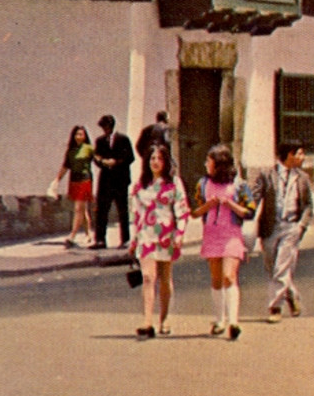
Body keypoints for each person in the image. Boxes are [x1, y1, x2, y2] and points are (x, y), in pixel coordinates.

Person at [192, 144, 256, 341]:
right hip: (212, 234)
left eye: (209, 162)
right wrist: (208, 205)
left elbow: (250, 211)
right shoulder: (202, 185)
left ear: (219, 165)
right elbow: (194, 212)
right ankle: (219, 319)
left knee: (229, 276)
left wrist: (230, 204)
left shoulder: (239, 185)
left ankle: (233, 322)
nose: (206, 165)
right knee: (216, 278)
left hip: (231, 235)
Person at [130, 143, 189, 338]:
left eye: (160, 159)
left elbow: (182, 210)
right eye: (152, 158)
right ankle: (147, 322)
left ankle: (165, 318)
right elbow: (135, 213)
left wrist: (179, 234)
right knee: (148, 277)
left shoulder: (174, 183)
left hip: (166, 236)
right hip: (145, 236)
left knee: (164, 278)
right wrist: (133, 239)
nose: (155, 162)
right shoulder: (140, 185)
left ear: (166, 162)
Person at [253, 143, 313, 322]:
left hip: (291, 227)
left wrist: (301, 226)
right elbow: (255, 197)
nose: (303, 157)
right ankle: (292, 295)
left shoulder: (302, 178)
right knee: (273, 268)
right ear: (289, 155)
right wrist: (244, 213)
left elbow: (308, 204)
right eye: (300, 154)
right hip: (270, 228)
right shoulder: (267, 175)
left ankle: (275, 307)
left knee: (281, 268)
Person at [92, 115, 134, 249]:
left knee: (122, 210)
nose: (105, 130)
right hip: (106, 179)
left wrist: (116, 162)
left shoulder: (123, 139)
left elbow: (129, 157)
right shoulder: (100, 141)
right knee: (102, 209)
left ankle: (125, 239)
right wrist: (102, 162)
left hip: (120, 179)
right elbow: (96, 157)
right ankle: (100, 239)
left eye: (106, 127)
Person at [53, 125, 96, 247]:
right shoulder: (71, 151)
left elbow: (97, 159)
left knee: (78, 209)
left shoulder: (88, 148)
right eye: (77, 134)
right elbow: (66, 166)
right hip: (74, 180)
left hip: (85, 180)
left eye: (81, 134)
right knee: (82, 210)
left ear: (85, 136)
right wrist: (57, 179)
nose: (79, 137)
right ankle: (89, 234)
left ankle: (72, 235)